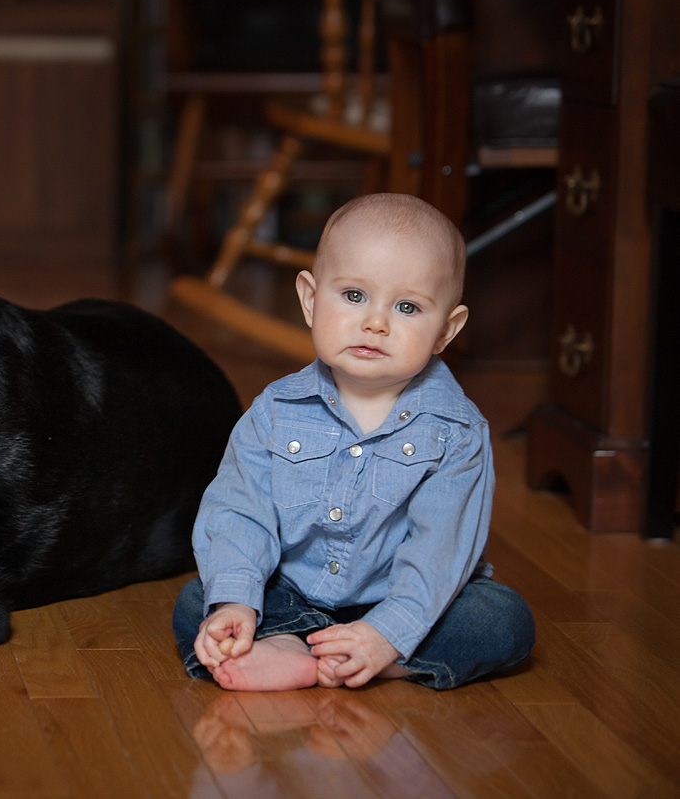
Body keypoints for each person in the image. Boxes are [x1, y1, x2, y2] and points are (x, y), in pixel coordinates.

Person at [172, 193, 534, 691]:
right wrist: (236, 600)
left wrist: (387, 631)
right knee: (199, 602)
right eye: (355, 296)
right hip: (292, 592)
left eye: (407, 307)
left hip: (405, 602)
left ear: (446, 331)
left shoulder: (457, 432)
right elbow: (240, 510)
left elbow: (441, 550)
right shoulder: (276, 411)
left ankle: (380, 657)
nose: (376, 322)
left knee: (502, 619)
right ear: (310, 299)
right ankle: (299, 647)